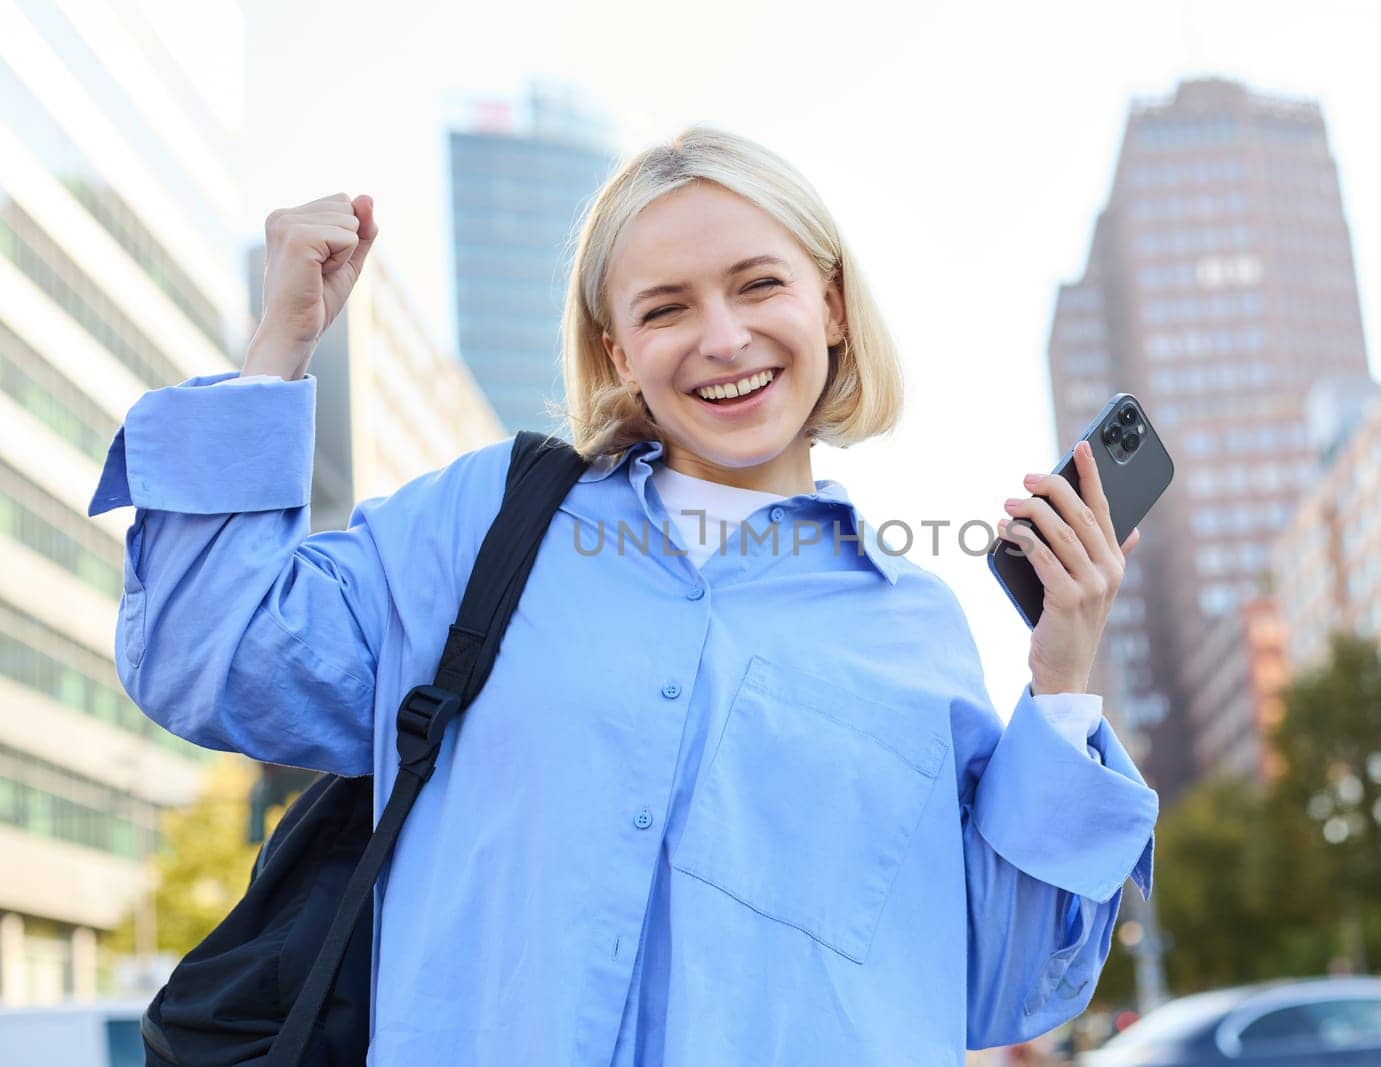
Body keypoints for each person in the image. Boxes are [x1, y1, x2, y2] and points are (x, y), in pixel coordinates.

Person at [89, 127, 1158, 1065]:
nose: (723, 338)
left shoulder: (909, 626)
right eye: (665, 307)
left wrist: (1062, 678)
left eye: (757, 284)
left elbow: (1003, 985)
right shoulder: (479, 527)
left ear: (829, 303)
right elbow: (209, 654)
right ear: (619, 349)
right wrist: (281, 348)